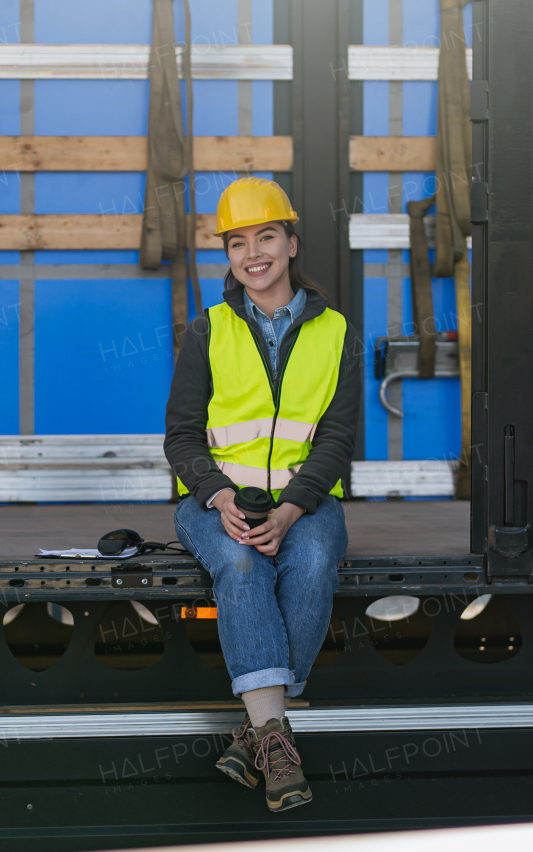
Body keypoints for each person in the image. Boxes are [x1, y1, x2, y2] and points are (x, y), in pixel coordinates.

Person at [164, 177, 360, 812]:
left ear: (291, 243)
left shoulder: (337, 332)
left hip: (305, 501)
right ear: (227, 254)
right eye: (238, 242)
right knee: (242, 562)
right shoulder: (207, 331)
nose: (254, 253)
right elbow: (181, 435)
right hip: (213, 501)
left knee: (313, 558)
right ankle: (276, 737)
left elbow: (337, 437)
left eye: (266, 237)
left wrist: (294, 506)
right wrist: (217, 495)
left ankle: (256, 732)